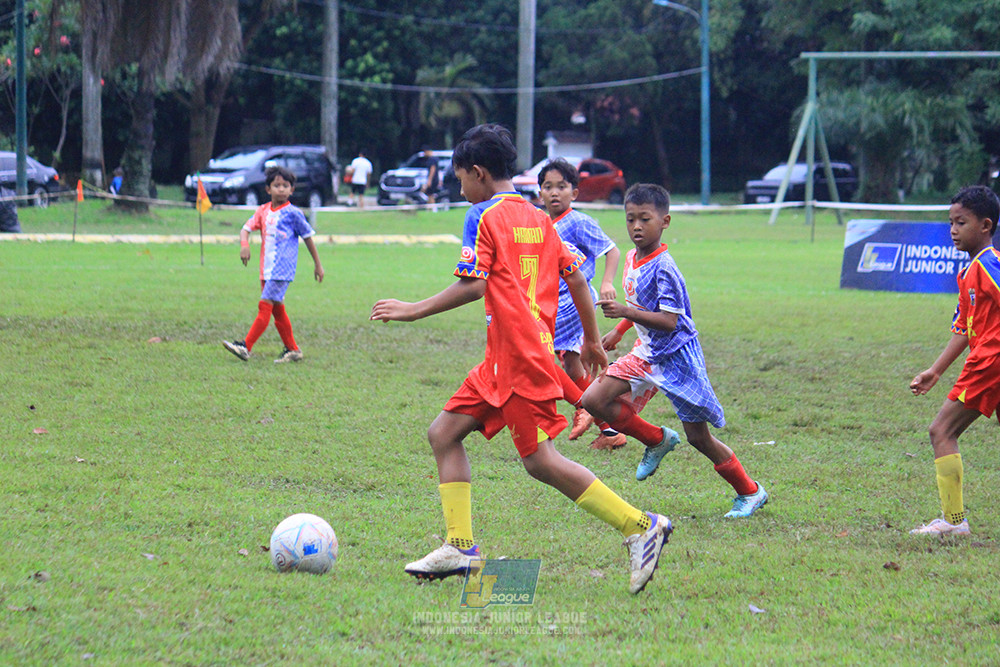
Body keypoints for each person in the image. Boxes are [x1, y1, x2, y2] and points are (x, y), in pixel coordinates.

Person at [370, 124, 672, 595]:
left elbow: (476, 283)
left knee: (540, 462)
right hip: (504, 358)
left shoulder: (483, 215)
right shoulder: (540, 219)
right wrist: (592, 340)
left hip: (520, 360)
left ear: (478, 172)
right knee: (443, 434)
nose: (460, 188)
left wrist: (413, 309)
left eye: (460, 178)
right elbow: (576, 280)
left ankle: (640, 525)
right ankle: (460, 547)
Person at [581, 184, 768, 518]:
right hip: (646, 352)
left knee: (698, 437)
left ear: (664, 221)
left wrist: (625, 314)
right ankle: (656, 439)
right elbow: (640, 304)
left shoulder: (665, 268)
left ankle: (750, 491)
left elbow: (669, 320)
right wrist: (619, 330)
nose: (637, 226)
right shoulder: (630, 258)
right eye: (630, 219)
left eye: (645, 219)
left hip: (677, 358)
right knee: (594, 400)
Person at [909, 184, 1000, 536]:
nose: (953, 230)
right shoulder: (968, 273)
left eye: (961, 222)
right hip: (986, 360)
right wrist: (935, 371)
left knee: (941, 430)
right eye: (950, 222)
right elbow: (964, 327)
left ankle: (953, 522)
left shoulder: (989, 265)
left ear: (985, 226)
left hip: (990, 362)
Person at [537, 158, 627, 450]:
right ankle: (609, 428)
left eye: (561, 187)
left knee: (536, 354)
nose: (554, 193)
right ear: (539, 193)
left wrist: (607, 282)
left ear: (574, 193)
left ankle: (581, 407)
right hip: (553, 302)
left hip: (574, 301)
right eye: (548, 187)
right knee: (571, 363)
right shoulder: (541, 223)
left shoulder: (577, 221)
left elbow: (611, 250)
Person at [223, 165, 324, 363]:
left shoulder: (294, 213)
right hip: (266, 269)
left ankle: (245, 346)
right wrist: (245, 244)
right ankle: (293, 349)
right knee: (277, 310)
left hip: (282, 269)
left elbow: (308, 238)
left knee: (265, 306)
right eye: (277, 185)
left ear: (291, 190)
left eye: (285, 186)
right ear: (268, 189)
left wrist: (317, 264)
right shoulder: (262, 211)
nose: (281, 189)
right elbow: (246, 228)